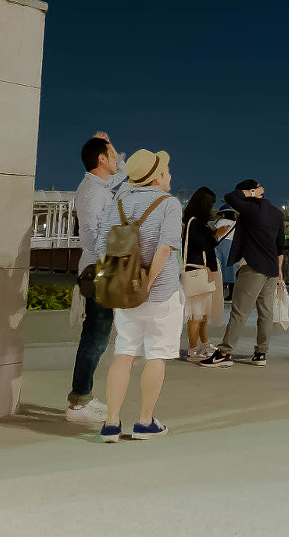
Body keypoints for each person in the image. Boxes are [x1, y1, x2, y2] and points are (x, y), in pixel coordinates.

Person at [96, 148, 183, 443]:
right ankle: (145, 422)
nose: (169, 175)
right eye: (166, 171)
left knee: (124, 353)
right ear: (157, 178)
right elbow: (164, 248)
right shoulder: (169, 204)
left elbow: (102, 248)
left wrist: (121, 282)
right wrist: (148, 282)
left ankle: (111, 423)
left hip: (122, 292)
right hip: (160, 294)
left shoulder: (117, 201)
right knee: (156, 354)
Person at [67, 133, 125, 423]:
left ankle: (81, 397)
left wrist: (110, 142)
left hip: (103, 268)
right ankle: (78, 402)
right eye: (112, 155)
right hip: (99, 270)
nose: (116, 159)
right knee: (95, 337)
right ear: (101, 160)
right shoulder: (92, 192)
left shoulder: (100, 185)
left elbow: (122, 172)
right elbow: (90, 236)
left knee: (98, 336)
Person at [202, 180, 286, 368]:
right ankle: (261, 353)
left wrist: (250, 193)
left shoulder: (251, 209)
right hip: (271, 269)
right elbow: (280, 247)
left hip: (253, 267)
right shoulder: (276, 213)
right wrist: (280, 272)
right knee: (266, 312)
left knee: (239, 312)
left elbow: (231, 196)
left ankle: (224, 352)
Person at [181, 187, 229, 361]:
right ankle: (193, 349)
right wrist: (217, 235)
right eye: (210, 204)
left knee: (202, 314)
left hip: (201, 271)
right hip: (197, 270)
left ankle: (202, 346)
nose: (212, 208)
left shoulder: (194, 223)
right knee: (196, 315)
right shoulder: (195, 223)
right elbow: (204, 244)